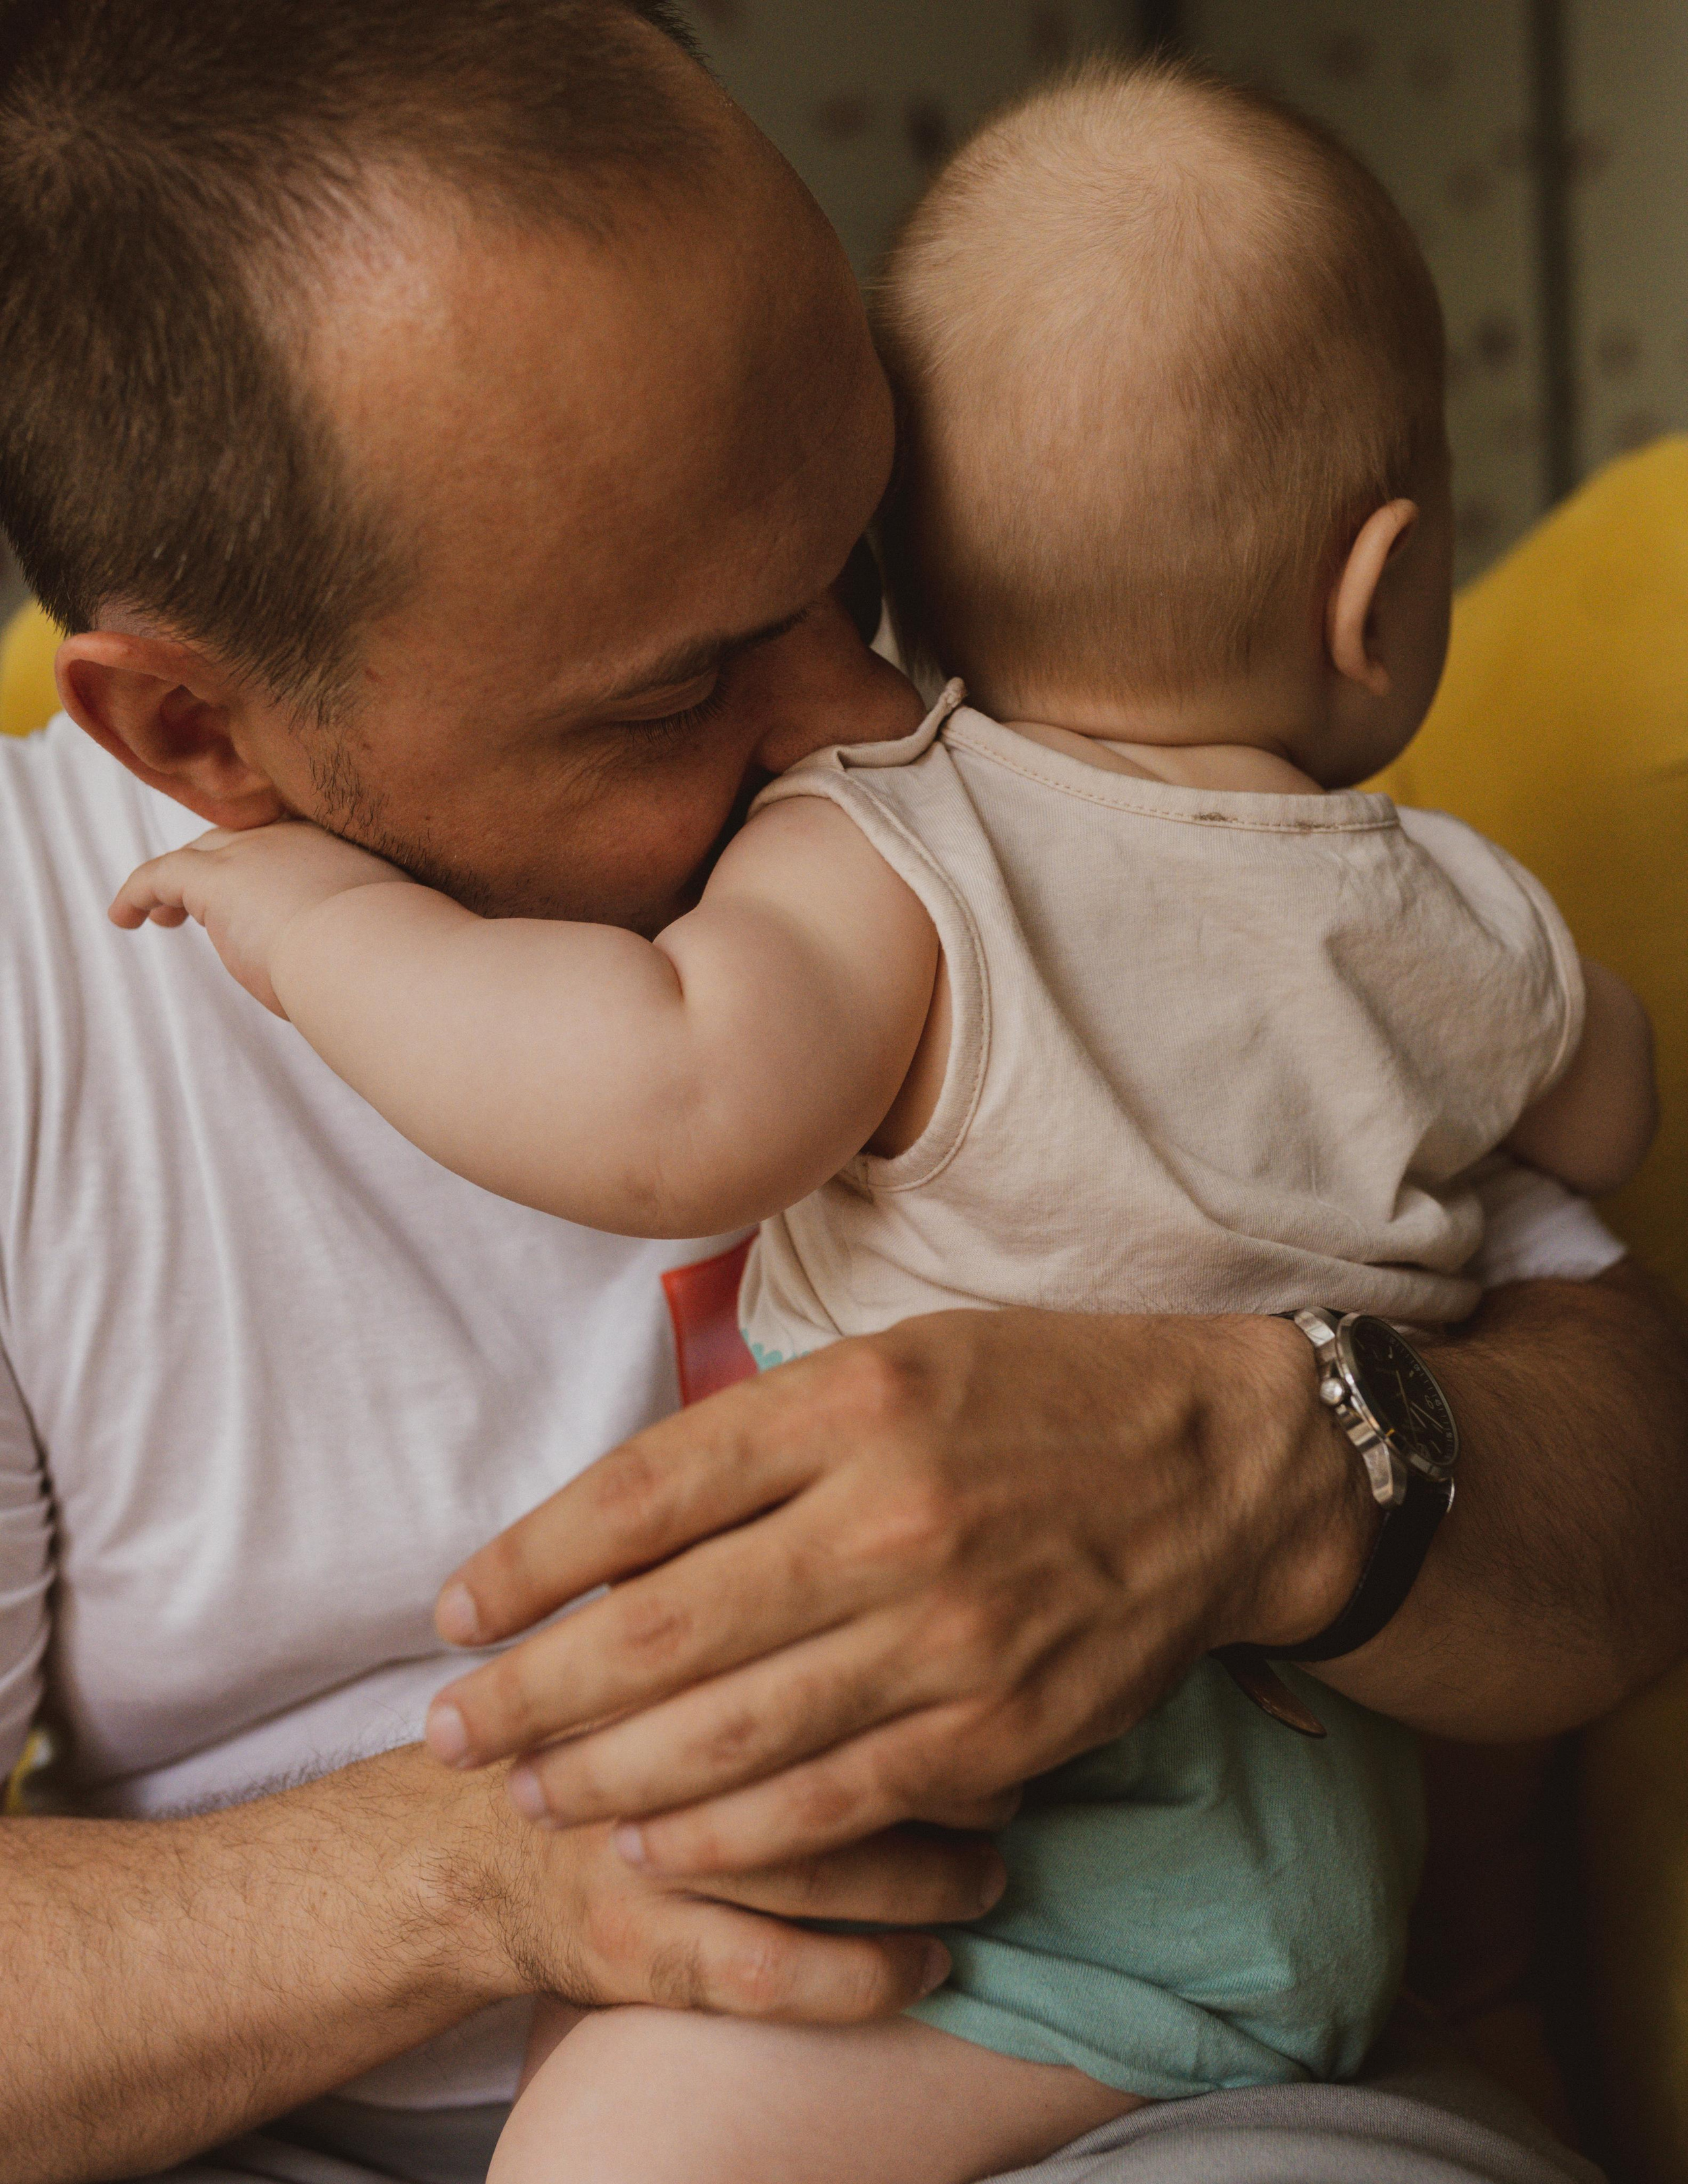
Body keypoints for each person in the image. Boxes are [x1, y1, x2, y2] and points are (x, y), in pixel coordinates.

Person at [0, 5, 1681, 2183]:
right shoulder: (42, 1006)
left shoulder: (1099, 689)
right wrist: (508, 1861)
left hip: (1154, 2077)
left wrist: (1275, 1463)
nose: (873, 715)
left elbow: (1638, 1479)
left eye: (866, 548)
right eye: (682, 684)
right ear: (196, 745)